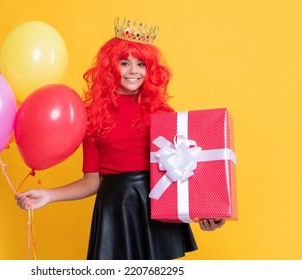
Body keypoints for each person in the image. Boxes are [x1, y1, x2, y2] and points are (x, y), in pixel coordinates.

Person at [15, 18, 225, 260]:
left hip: (156, 205)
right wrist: (49, 195)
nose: (133, 71)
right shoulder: (92, 115)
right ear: (110, 68)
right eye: (124, 63)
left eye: (141, 64)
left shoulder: (162, 112)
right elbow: (92, 182)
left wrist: (207, 212)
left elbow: (184, 171)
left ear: (151, 70)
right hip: (116, 209)